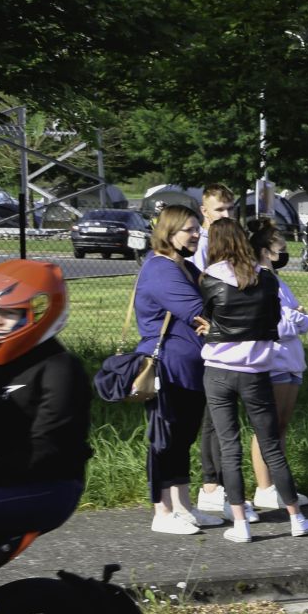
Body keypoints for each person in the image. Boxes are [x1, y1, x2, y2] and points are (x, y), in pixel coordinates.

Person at [198, 217, 308, 542]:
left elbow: (210, 318)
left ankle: (240, 525)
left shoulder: (209, 277)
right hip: (256, 372)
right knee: (271, 444)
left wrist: (215, 331)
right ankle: (296, 518)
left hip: (218, 371)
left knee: (229, 446)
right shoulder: (266, 278)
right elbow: (273, 322)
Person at [133, 206, 222, 533]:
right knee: (164, 438)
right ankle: (162, 512)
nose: (197, 234)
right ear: (169, 232)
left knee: (182, 438)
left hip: (190, 367)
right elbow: (202, 310)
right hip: (167, 367)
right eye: (190, 229)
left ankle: (183, 507)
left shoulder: (183, 265)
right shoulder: (161, 269)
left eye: (198, 228)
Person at [0, 260, 89, 543]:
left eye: (11, 313)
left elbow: (48, 445)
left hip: (49, 485)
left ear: (39, 314)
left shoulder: (60, 368)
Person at [245, 216, 308, 512]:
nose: (285, 254)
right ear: (265, 251)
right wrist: (297, 317)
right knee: (267, 428)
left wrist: (297, 317)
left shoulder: (278, 280)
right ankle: (264, 487)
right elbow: (277, 322)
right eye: (281, 249)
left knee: (281, 426)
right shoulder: (257, 278)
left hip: (291, 362)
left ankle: (279, 485)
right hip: (274, 361)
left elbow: (299, 317)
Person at [192, 184, 239, 515]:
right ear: (204, 211)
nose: (226, 215)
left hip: (230, 341)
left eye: (230, 209)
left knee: (224, 416)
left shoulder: (231, 240)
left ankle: (224, 485)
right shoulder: (201, 246)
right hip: (209, 339)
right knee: (213, 415)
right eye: (219, 210)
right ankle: (212, 485)